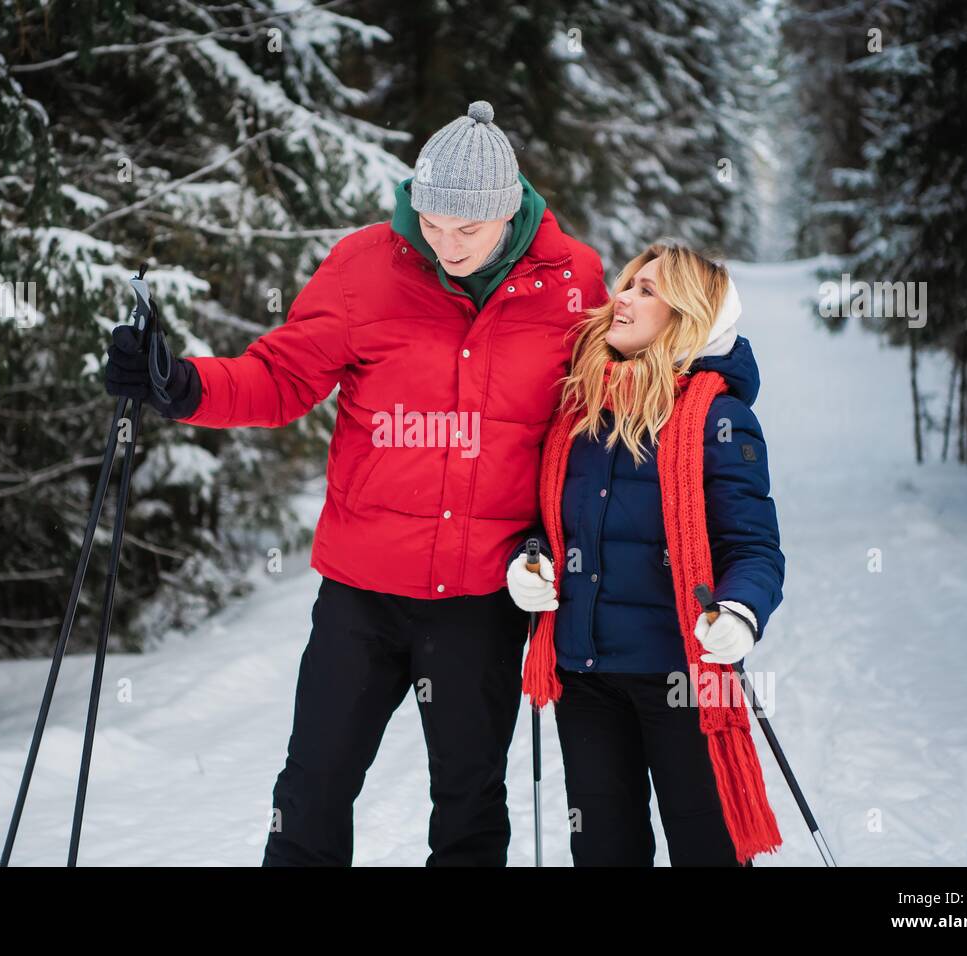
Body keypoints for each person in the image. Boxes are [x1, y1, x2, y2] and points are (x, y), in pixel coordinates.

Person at [105, 101, 609, 865]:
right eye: (430, 223)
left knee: (470, 805)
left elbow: (589, 428)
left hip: (482, 599)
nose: (445, 245)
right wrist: (181, 385)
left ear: (509, 211)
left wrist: (549, 535)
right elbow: (279, 377)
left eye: (466, 230)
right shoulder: (366, 265)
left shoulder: (573, 282)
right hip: (362, 595)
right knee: (312, 787)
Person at [505, 240, 787, 866]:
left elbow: (754, 548)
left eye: (645, 289)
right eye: (626, 284)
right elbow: (545, 525)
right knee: (605, 851)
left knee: (705, 850)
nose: (622, 298)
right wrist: (529, 561)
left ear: (686, 315)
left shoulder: (720, 420)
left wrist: (740, 610)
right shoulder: (578, 406)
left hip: (681, 677)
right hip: (584, 675)